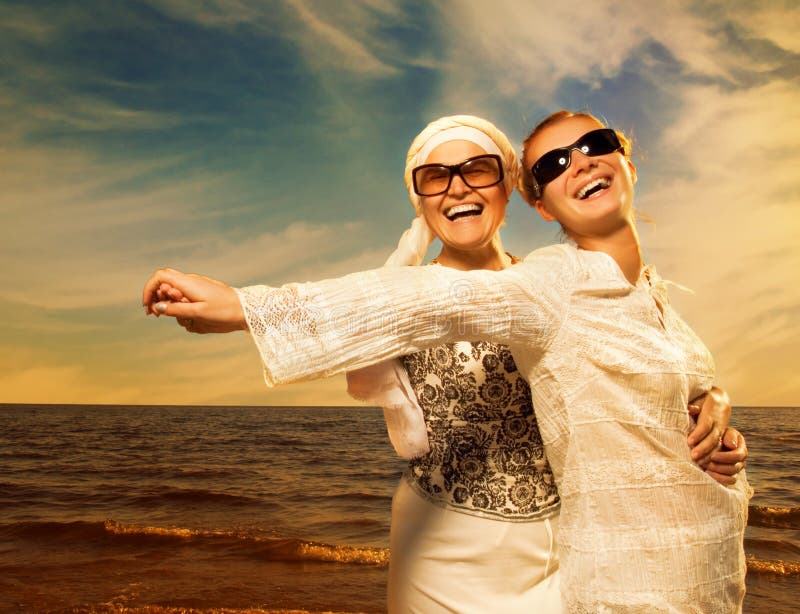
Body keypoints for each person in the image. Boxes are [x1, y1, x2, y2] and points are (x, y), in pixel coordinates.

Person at [143, 111, 752, 611]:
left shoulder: (563, 285)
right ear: (419, 198)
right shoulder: (424, 288)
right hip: (442, 547)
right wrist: (244, 308)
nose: (458, 186)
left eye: (477, 169)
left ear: (510, 187)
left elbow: (638, 372)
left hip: (562, 547)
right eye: (436, 176)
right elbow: (395, 305)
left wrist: (707, 405)